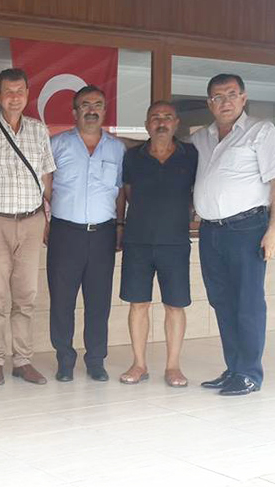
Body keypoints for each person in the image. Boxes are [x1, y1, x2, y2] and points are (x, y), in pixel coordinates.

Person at [0, 68, 55, 386]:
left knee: (26, 295)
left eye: (20, 91)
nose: (15, 97)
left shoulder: (39, 130)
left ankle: (22, 360)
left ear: (27, 94)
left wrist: (47, 218)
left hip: (31, 222)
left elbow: (46, 179)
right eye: (8, 91)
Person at [194, 74, 275, 396]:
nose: (225, 102)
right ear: (209, 103)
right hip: (210, 231)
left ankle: (249, 374)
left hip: (247, 229)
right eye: (218, 96)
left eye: (231, 94)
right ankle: (234, 369)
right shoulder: (201, 138)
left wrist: (273, 230)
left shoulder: (261, 131)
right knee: (222, 302)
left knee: (248, 302)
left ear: (243, 98)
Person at [47, 85, 125, 382]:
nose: (92, 110)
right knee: (62, 300)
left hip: (103, 235)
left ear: (105, 110)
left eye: (98, 104)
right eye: (85, 105)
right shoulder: (57, 144)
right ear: (74, 111)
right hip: (65, 233)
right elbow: (46, 186)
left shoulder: (116, 149)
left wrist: (120, 225)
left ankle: (95, 360)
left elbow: (120, 191)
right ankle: (64, 360)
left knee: (98, 301)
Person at [119, 101, 197, 387]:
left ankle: (173, 366)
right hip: (137, 241)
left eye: (167, 117)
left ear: (176, 123)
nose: (161, 122)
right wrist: (121, 225)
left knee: (175, 305)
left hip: (175, 242)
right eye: (155, 118)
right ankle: (139, 364)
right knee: (138, 304)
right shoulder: (133, 156)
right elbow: (126, 193)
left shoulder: (191, 155)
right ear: (146, 125)